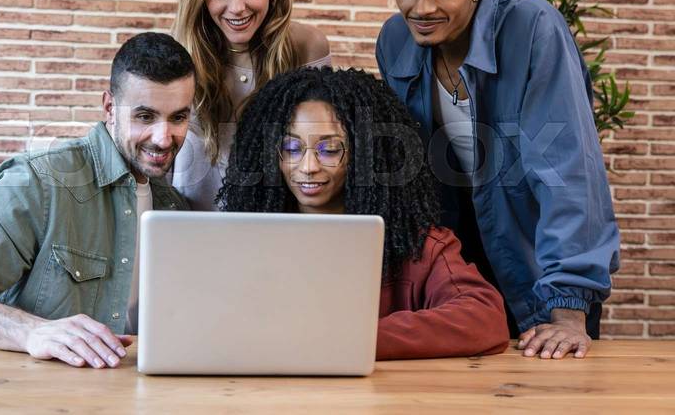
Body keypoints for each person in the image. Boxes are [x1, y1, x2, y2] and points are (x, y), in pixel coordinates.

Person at [376, 0, 621, 359]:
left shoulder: (533, 28)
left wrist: (568, 310)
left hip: (539, 272)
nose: (421, 8)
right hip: (456, 281)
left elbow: (567, 169)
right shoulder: (393, 41)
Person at [0, 32, 194, 368]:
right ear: (110, 108)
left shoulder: (175, 207)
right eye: (145, 117)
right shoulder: (40, 180)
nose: (163, 138)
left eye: (178, 117)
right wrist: (31, 332)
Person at [217, 67, 509, 359]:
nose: (308, 166)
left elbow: (483, 318)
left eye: (330, 150)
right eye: (291, 148)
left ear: (365, 155)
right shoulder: (247, 244)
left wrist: (351, 339)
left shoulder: (417, 246)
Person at [172, 0, 330, 211]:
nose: (236, 7)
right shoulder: (177, 53)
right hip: (185, 226)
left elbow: (319, 155)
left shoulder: (307, 47)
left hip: (275, 228)